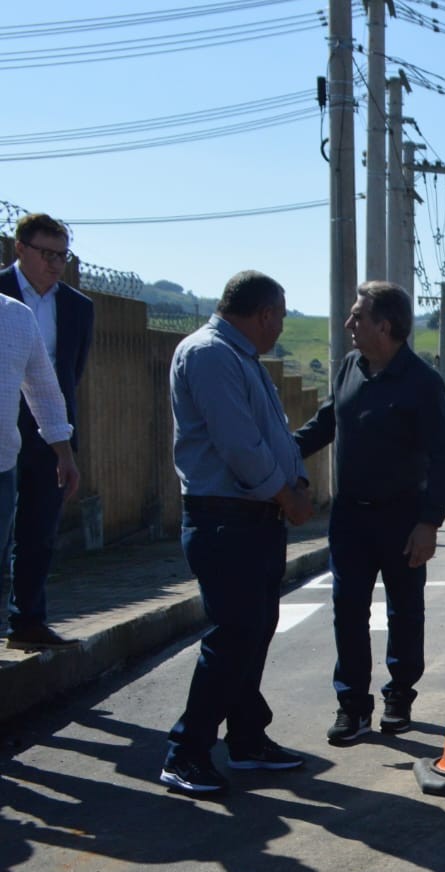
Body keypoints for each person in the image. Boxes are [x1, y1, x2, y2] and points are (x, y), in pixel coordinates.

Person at [162, 271, 313, 796]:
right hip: (225, 518)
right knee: (233, 638)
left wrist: (296, 479)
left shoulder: (240, 357)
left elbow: (273, 436)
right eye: (282, 317)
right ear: (265, 313)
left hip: (252, 518)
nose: (282, 327)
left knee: (253, 633)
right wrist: (285, 493)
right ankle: (187, 751)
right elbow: (238, 444)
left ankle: (247, 739)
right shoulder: (209, 354)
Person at [294, 281, 445, 745]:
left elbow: (444, 457)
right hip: (351, 517)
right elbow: (325, 423)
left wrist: (429, 522)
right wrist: (280, 454)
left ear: (384, 326)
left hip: (404, 517)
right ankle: (352, 706)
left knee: (405, 611)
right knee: (347, 611)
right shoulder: (350, 366)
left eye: (357, 317)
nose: (348, 324)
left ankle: (399, 696)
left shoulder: (422, 383)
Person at [2, 214, 93, 650]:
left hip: (48, 434)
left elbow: (66, 377)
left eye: (63, 255)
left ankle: (28, 621)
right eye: (47, 254)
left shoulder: (78, 306)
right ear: (19, 249)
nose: (56, 264)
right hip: (5, 429)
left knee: (39, 531)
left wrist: (64, 445)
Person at [1, 294, 80, 649]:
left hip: (2, 462)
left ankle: (21, 627)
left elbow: (45, 390)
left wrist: (63, 451)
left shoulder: (16, 316)